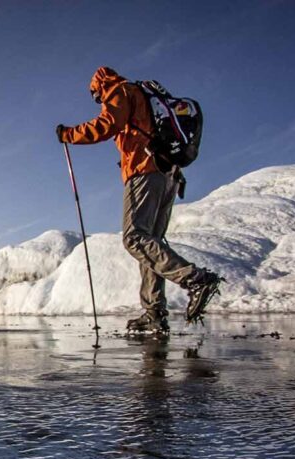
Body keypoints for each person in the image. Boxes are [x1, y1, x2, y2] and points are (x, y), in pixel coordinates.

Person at [56, 66, 222, 332]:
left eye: (96, 95)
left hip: (144, 171)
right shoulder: (145, 95)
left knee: (134, 238)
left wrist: (69, 135)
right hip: (168, 174)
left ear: (99, 85)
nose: (98, 101)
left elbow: (107, 124)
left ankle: (195, 279)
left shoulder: (120, 91)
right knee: (150, 243)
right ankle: (154, 313)